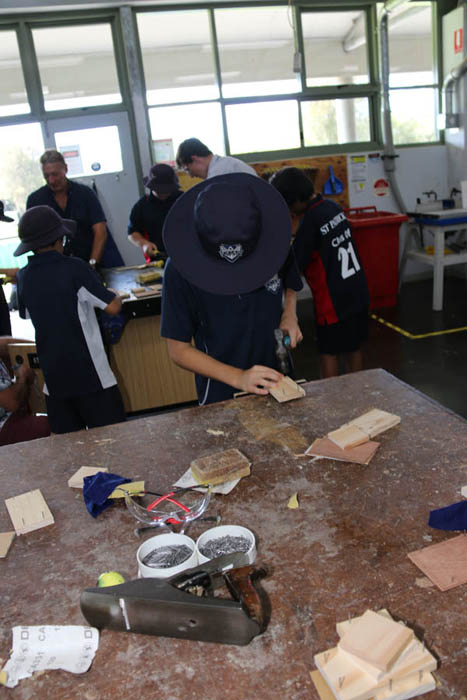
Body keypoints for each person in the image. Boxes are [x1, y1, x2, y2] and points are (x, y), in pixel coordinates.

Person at [161, 172, 303, 405]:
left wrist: (290, 314)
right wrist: (239, 377)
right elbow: (178, 350)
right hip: (222, 388)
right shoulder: (179, 269)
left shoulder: (276, 242)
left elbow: (291, 283)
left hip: (278, 376)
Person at [15, 205, 126, 434]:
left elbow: (26, 314)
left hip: (54, 382)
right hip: (92, 378)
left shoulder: (23, 276)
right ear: (59, 239)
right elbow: (113, 307)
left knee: (69, 448)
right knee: (113, 442)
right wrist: (115, 293)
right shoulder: (75, 268)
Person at [270, 166, 369, 379]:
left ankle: (330, 395)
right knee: (354, 346)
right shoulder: (332, 207)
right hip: (357, 289)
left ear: (295, 201)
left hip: (332, 301)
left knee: (329, 351)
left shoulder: (310, 222)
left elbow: (294, 264)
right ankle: (360, 388)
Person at [26, 149, 107, 267]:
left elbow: (100, 232)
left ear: (66, 169)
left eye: (55, 174)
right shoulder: (35, 200)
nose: (51, 180)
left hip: (89, 262)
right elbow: (32, 241)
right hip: (53, 269)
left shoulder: (86, 194)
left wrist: (92, 265)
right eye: (46, 176)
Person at [0, 336, 50, 447]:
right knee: (51, 426)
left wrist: (41, 347)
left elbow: (6, 343)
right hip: (3, 424)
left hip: (8, 416)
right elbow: (12, 403)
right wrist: (22, 378)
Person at [128, 163, 183, 260]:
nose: (164, 193)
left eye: (167, 190)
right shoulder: (142, 205)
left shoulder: (184, 200)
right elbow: (132, 233)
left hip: (185, 253)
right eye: (159, 190)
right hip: (158, 256)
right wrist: (144, 244)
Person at [176, 138, 257, 180]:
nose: (191, 176)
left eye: (187, 169)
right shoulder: (227, 163)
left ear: (194, 159)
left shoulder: (218, 175)